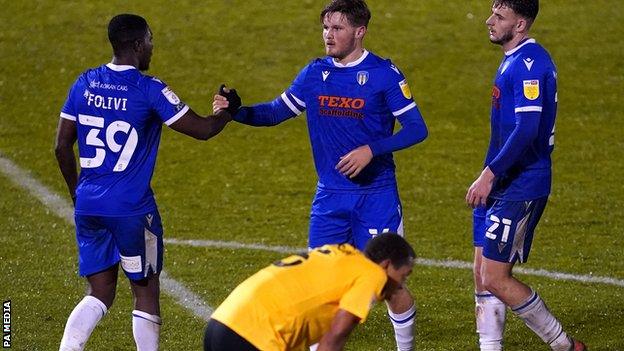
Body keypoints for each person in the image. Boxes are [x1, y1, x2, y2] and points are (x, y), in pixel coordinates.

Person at [214, 1, 427, 349]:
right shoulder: (314, 74)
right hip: (330, 197)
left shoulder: (384, 74)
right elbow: (274, 113)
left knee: (389, 284)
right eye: (326, 28)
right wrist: (236, 111)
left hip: (376, 196)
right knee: (320, 287)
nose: (329, 35)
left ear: (360, 32)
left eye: (338, 28)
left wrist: (372, 149)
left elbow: (417, 129)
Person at [54, 14, 235, 351]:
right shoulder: (149, 88)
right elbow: (203, 130)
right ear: (138, 45)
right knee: (146, 291)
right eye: (150, 40)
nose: (152, 47)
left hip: (89, 205)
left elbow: (61, 145)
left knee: (100, 292)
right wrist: (225, 111)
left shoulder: (85, 82)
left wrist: (76, 194)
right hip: (132, 210)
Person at [465, 1, 585, 350]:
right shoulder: (514, 60)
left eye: (499, 17)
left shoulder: (530, 64)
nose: (489, 21)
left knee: (494, 277)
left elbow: (528, 128)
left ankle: (564, 345)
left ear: (520, 24)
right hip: (501, 179)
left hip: (521, 183)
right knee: (481, 271)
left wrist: (489, 174)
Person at [204, 233, 416, 351]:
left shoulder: (341, 256)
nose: (400, 285)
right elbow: (336, 335)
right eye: (403, 276)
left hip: (221, 323)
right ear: (386, 265)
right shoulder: (372, 274)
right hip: (253, 338)